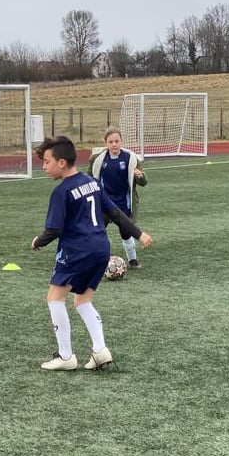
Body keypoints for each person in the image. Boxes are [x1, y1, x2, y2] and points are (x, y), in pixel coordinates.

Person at [32, 135, 153, 371]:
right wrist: (139, 234)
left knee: (54, 298)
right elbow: (115, 213)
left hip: (77, 251)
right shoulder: (92, 182)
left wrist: (38, 241)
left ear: (62, 162)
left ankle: (65, 356)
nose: (44, 167)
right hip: (100, 249)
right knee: (82, 300)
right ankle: (100, 350)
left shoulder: (61, 191)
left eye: (47, 162)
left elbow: (54, 229)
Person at [89, 126, 148, 269]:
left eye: (117, 141)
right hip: (105, 203)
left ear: (121, 141)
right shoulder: (98, 159)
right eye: (111, 142)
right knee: (98, 230)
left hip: (123, 202)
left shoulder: (130, 158)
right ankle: (101, 258)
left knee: (126, 232)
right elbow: (90, 178)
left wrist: (140, 176)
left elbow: (143, 182)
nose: (114, 144)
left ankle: (133, 260)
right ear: (105, 143)